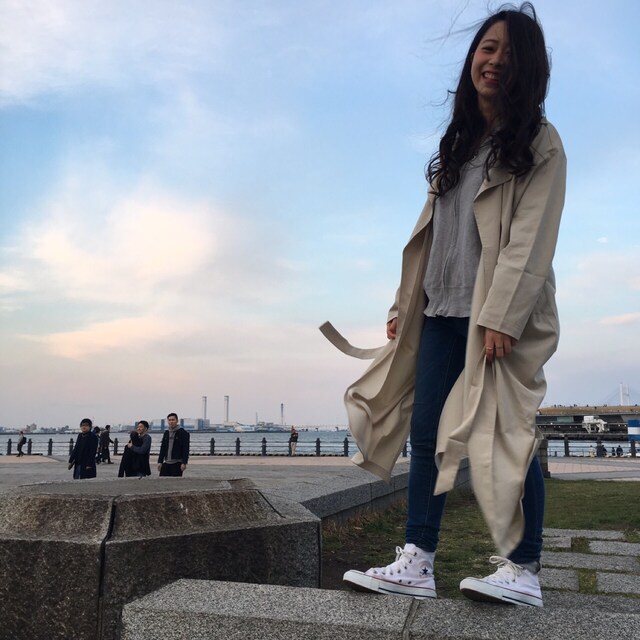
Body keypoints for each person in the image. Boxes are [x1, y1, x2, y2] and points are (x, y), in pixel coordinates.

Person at [325, 3, 565, 608]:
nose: (495, 61)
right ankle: (418, 560)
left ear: (529, 69)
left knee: (507, 431)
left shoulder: (540, 142)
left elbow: (532, 236)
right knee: (427, 431)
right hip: (438, 312)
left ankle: (524, 569)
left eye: (509, 53)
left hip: (495, 318)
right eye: (487, 48)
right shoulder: (457, 143)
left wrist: (502, 316)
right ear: (472, 58)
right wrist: (402, 305)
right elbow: (429, 235)